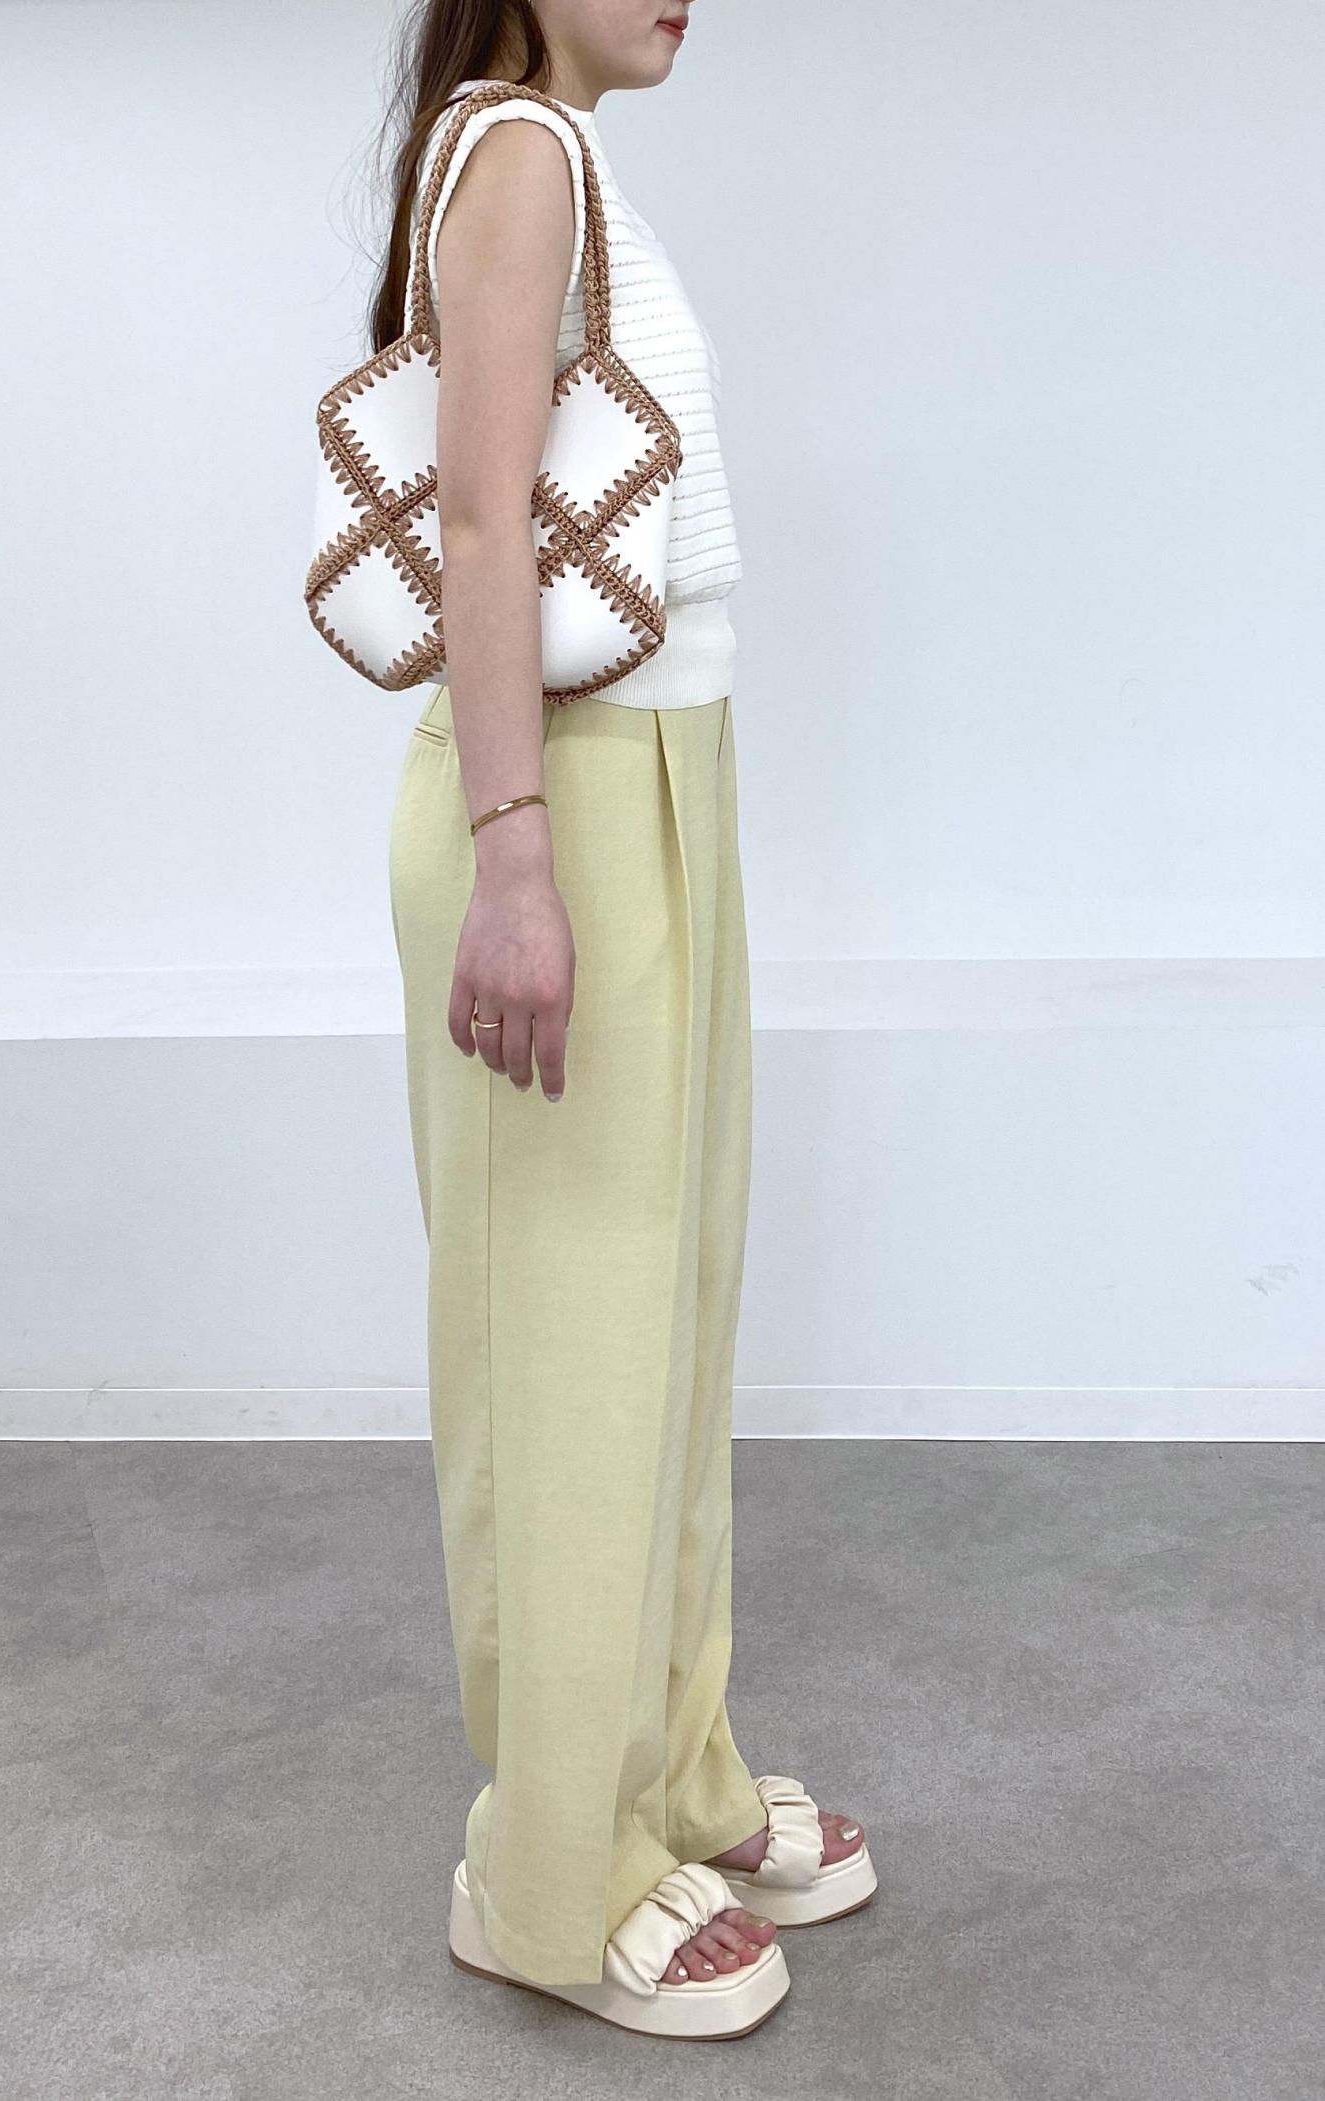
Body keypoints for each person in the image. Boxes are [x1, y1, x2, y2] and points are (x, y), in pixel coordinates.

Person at [374, 0, 876, 2038]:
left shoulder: (569, 161)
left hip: (664, 771)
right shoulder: (510, 152)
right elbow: (479, 517)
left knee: (662, 1320)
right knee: (568, 1346)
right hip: (560, 802)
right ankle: (549, 1874)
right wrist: (515, 856)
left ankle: (666, 1773)